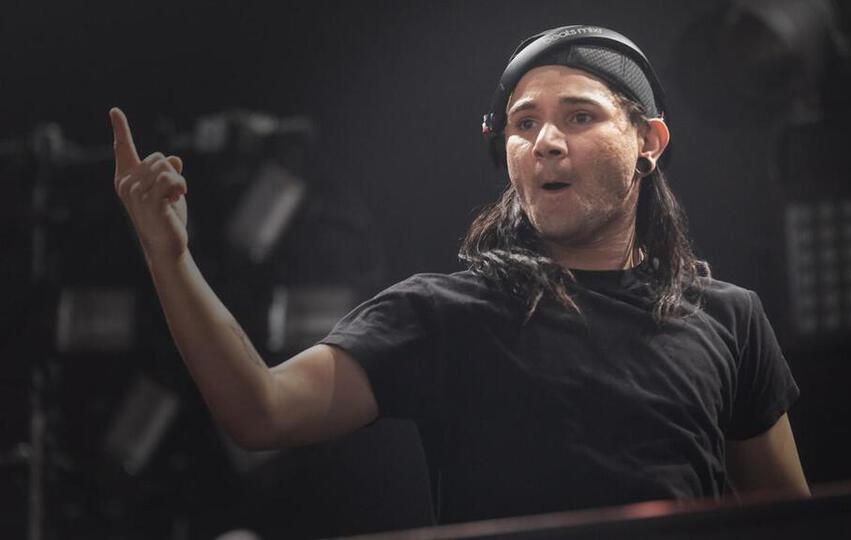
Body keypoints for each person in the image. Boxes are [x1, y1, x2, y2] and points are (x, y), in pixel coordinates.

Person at [110, 24, 809, 525]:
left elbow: (792, 521)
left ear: (648, 142)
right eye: (523, 124)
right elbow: (259, 412)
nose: (546, 142)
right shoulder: (445, 315)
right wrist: (171, 259)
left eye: (579, 116)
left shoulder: (728, 318)